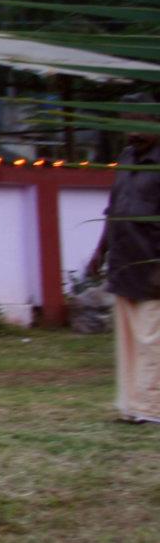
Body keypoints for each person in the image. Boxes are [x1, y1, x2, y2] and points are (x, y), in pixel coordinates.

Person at [87, 98, 160, 422]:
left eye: (138, 124)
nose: (131, 134)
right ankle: (132, 406)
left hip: (152, 263)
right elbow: (114, 209)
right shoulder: (127, 158)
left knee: (152, 339)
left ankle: (153, 407)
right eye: (125, 125)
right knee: (129, 340)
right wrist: (99, 251)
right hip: (124, 261)